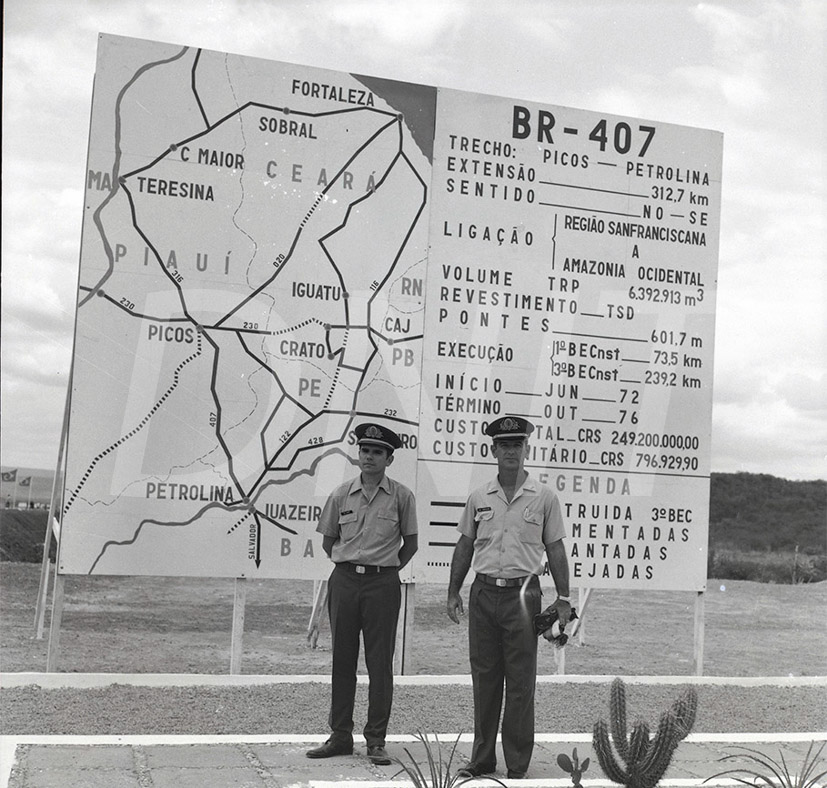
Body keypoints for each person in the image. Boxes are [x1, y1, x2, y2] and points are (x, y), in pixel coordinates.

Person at [446, 415, 571, 780]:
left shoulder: (544, 497)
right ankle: (482, 759)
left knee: (520, 681)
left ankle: (517, 763)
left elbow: (556, 549)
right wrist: (453, 591)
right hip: (484, 591)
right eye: (504, 445)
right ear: (494, 450)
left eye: (517, 445)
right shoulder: (479, 497)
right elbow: (465, 544)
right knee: (485, 678)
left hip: (523, 594)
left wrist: (564, 597)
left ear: (525, 449)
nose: (511, 451)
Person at [307, 423, 418, 766]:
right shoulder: (341, 494)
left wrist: (384, 570)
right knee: (342, 659)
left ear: (389, 458)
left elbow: (410, 544)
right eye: (365, 451)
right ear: (358, 455)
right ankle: (340, 735)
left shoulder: (401, 496)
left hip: (382, 585)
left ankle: (376, 740)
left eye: (377, 452)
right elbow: (328, 541)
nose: (369, 457)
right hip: (344, 581)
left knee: (379, 663)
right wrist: (352, 565)